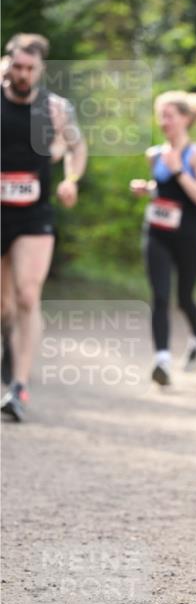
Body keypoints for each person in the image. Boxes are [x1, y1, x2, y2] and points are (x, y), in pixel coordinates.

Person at [1, 34, 87, 421]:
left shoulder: (54, 108)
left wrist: (71, 178)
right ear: (8, 63)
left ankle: (19, 385)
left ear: (40, 70)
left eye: (29, 69)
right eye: (16, 66)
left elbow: (76, 146)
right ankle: (9, 343)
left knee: (27, 295)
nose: (22, 74)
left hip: (34, 213)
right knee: (3, 305)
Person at [130, 91, 196, 386]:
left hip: (189, 236)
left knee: (184, 298)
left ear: (186, 119)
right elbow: (165, 192)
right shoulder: (154, 154)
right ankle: (162, 360)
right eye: (160, 115)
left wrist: (179, 170)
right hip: (157, 232)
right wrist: (148, 188)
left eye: (170, 115)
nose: (164, 121)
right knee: (161, 295)